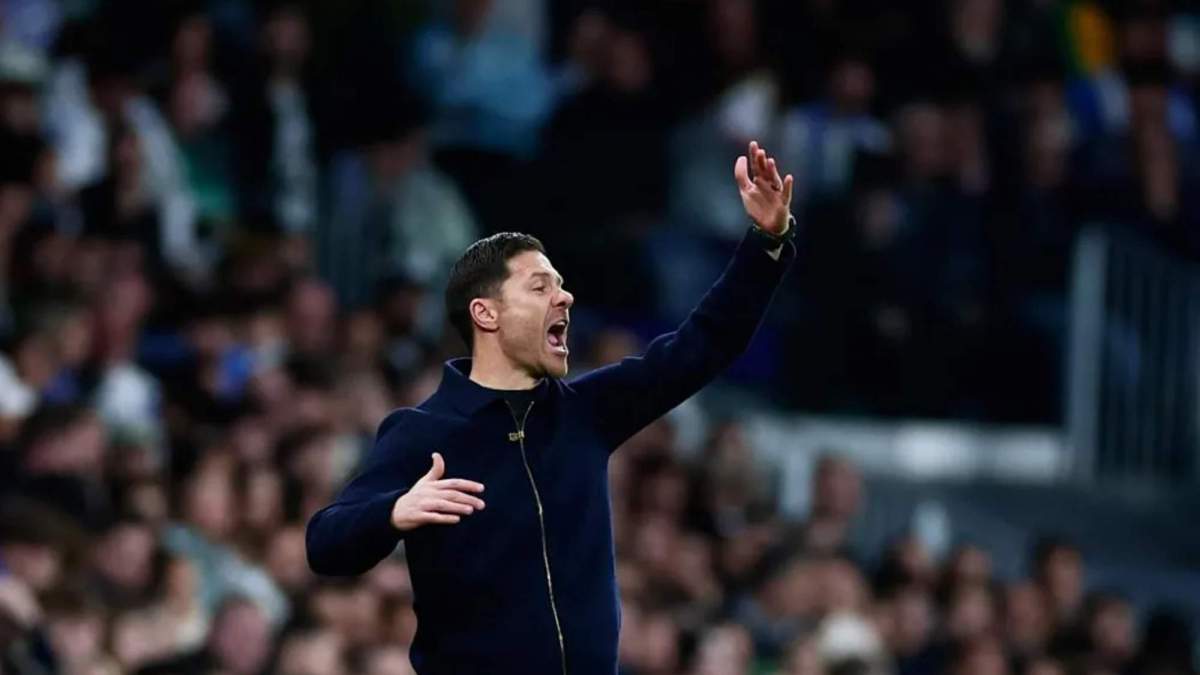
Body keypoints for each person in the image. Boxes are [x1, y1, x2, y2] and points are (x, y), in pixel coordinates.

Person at [305, 141, 797, 674]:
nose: (564, 298)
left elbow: (704, 344)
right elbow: (325, 543)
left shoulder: (588, 411)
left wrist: (766, 243)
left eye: (561, 287)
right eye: (540, 287)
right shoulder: (423, 434)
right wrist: (393, 512)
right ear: (485, 314)